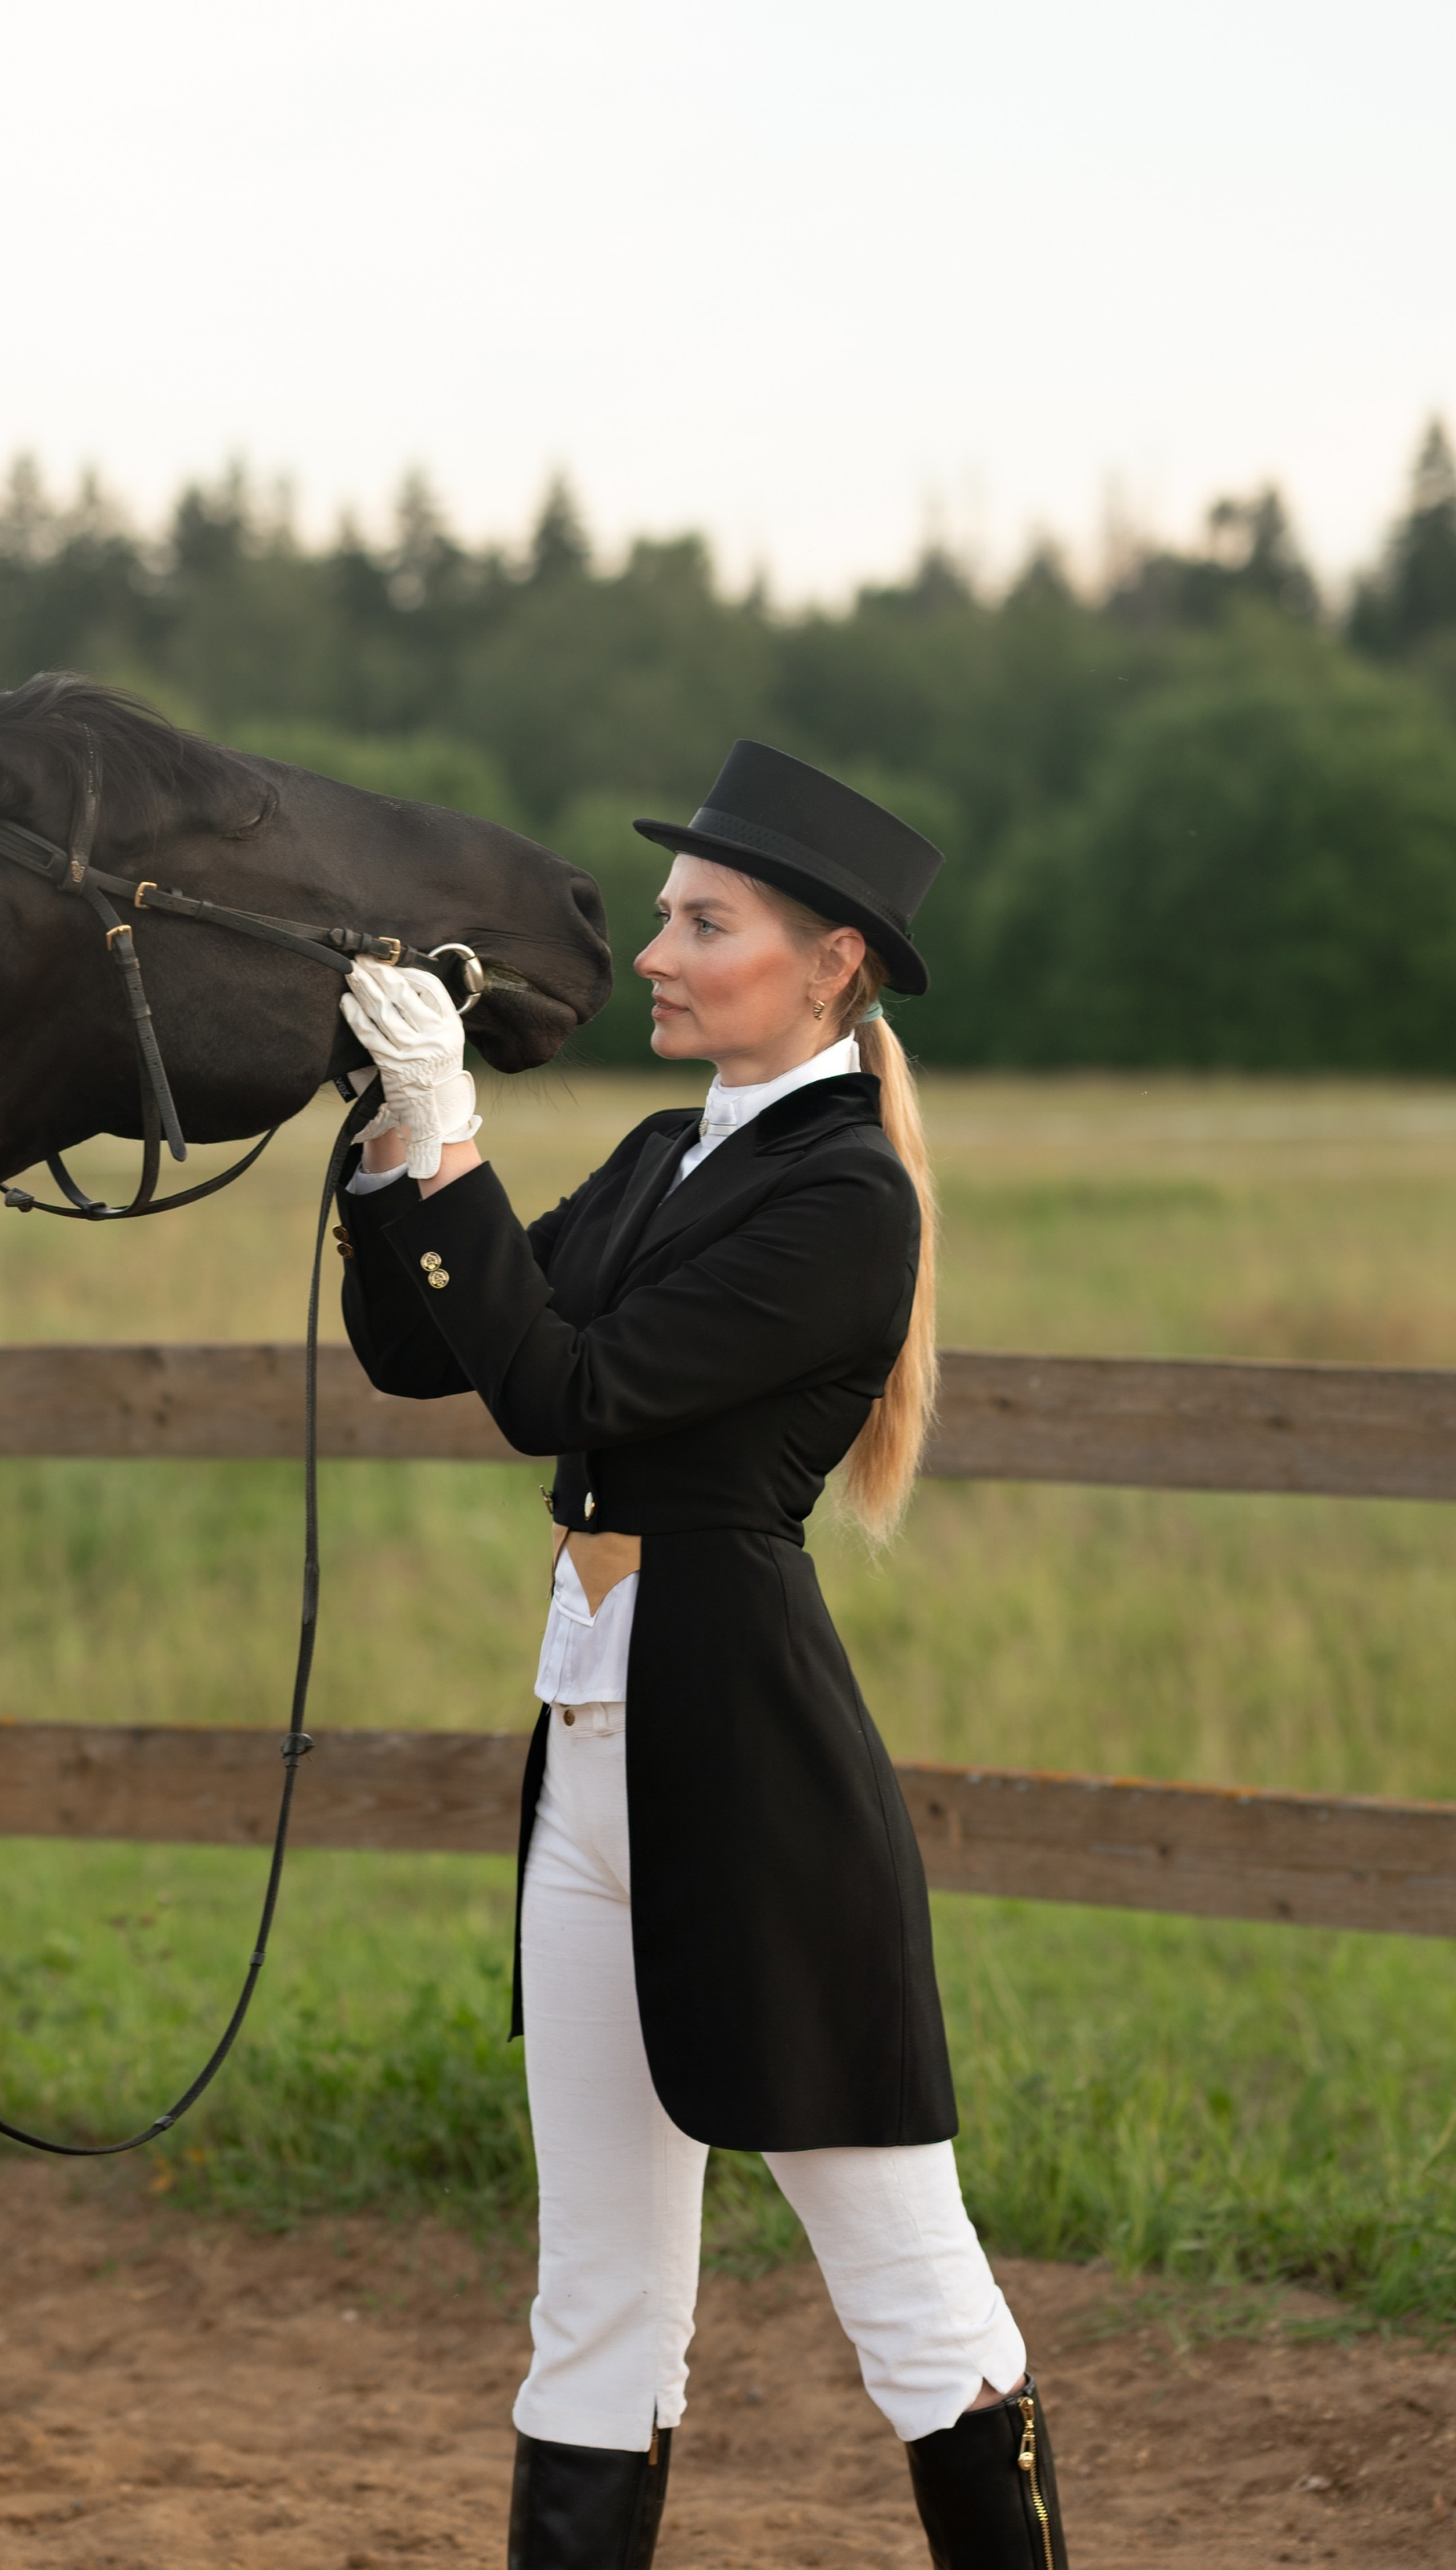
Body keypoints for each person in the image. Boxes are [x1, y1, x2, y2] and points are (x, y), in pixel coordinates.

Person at [332, 741, 1068, 2570]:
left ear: (829, 964)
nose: (653, 951)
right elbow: (431, 1352)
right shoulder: (674, 1149)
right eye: (665, 918)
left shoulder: (843, 1205)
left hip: (743, 1784)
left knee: (909, 2296)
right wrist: (386, 1143)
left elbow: (560, 1389)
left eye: (700, 922)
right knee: (589, 2305)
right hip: (585, 1749)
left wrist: (462, 1135)